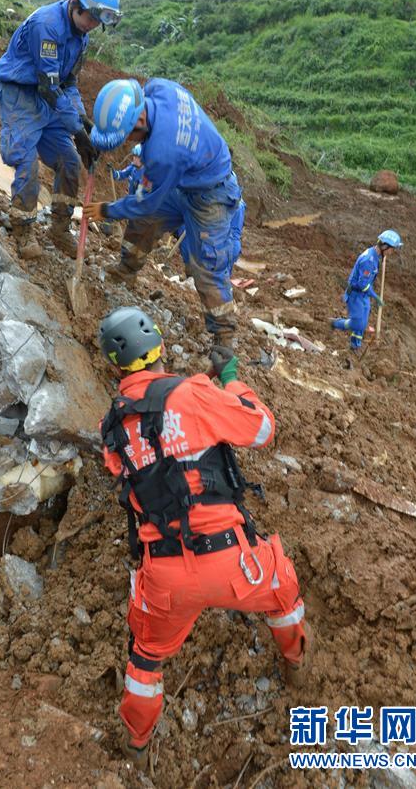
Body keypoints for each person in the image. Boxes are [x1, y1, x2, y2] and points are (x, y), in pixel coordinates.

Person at [98, 306, 310, 767]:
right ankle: (296, 665)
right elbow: (262, 428)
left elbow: (134, 464)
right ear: (159, 345)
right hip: (233, 563)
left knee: (145, 657)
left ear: (114, 366)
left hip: (163, 575)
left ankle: (136, 746)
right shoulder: (193, 393)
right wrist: (230, 381)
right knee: (283, 590)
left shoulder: (110, 426)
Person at [84, 78, 245, 347]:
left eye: (128, 135)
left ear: (140, 120)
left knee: (206, 264)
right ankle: (126, 270)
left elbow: (145, 201)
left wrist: (107, 210)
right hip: (185, 179)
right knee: (145, 222)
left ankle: (224, 339)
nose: (128, 141)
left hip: (212, 194)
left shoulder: (162, 152)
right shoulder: (158, 88)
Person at [0, 0, 121, 251]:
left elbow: (69, 83)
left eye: (98, 21)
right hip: (21, 94)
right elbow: (49, 87)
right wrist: (76, 130)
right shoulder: (47, 26)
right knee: (27, 161)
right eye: (90, 18)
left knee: (70, 161)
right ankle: (22, 229)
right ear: (75, 3)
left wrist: (82, 120)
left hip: (48, 97)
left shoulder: (81, 36)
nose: (92, 25)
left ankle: (60, 228)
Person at [332, 229, 403, 351]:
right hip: (355, 294)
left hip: (363, 294)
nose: (392, 252)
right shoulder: (368, 261)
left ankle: (355, 346)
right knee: (358, 324)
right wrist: (375, 297)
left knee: (363, 322)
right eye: (392, 249)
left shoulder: (376, 256)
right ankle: (335, 323)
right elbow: (362, 284)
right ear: (384, 246)